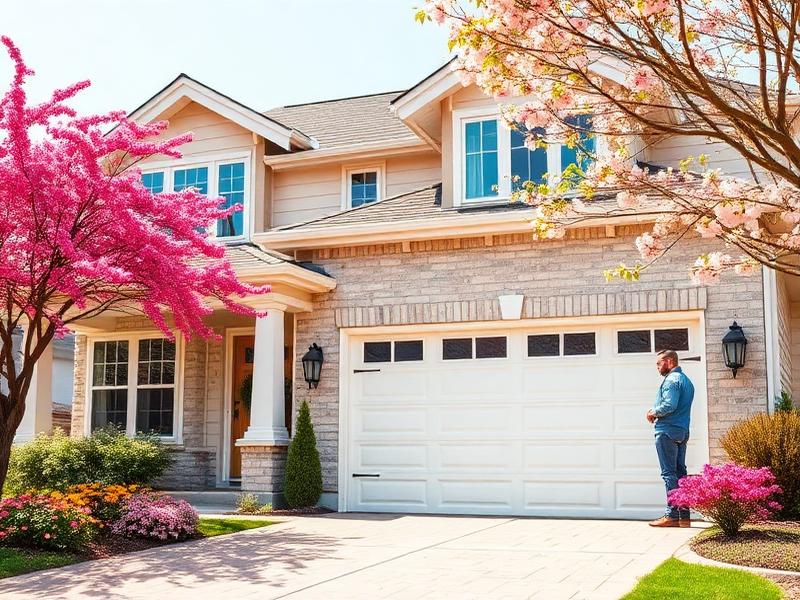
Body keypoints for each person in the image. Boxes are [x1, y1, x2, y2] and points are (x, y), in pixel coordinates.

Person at [647, 349, 694, 527]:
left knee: (668, 474)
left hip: (667, 431)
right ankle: (684, 516)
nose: (657, 367)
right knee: (680, 472)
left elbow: (669, 404)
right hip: (682, 431)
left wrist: (653, 412)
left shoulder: (671, 380)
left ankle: (672, 515)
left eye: (659, 363)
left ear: (669, 362)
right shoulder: (686, 381)